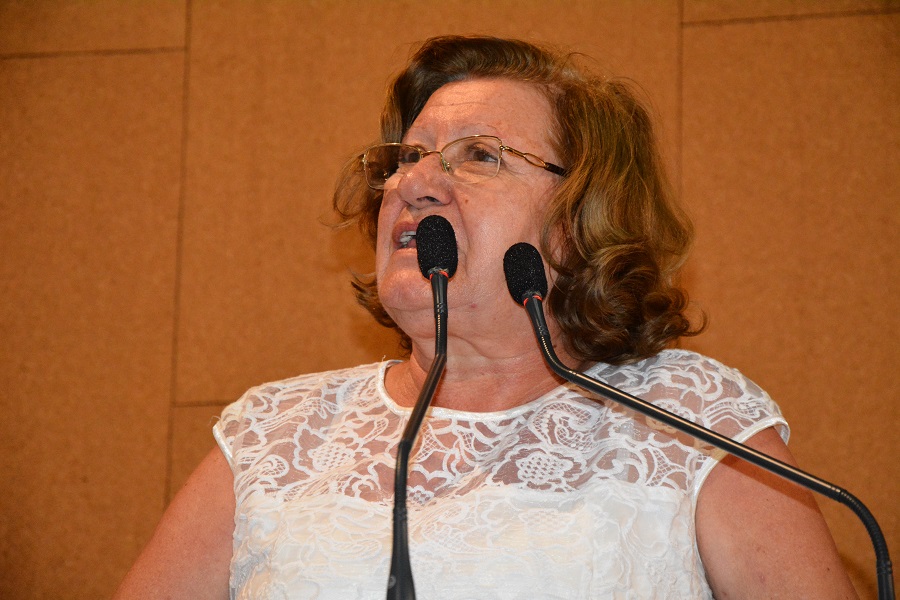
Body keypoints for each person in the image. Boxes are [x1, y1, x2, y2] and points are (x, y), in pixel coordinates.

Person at [115, 35, 858, 599]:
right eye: (407, 157)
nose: (414, 183)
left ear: (575, 220)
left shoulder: (693, 422)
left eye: (480, 157)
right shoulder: (272, 434)